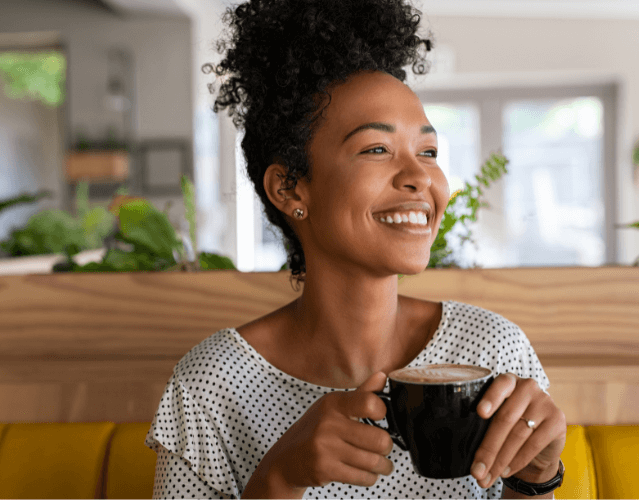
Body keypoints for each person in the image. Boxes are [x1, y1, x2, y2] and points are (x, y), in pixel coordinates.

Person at [145, 0, 567, 498]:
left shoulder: (493, 350)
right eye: (376, 149)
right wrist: (280, 476)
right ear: (290, 189)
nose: (420, 177)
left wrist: (537, 477)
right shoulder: (210, 385)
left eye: (428, 152)